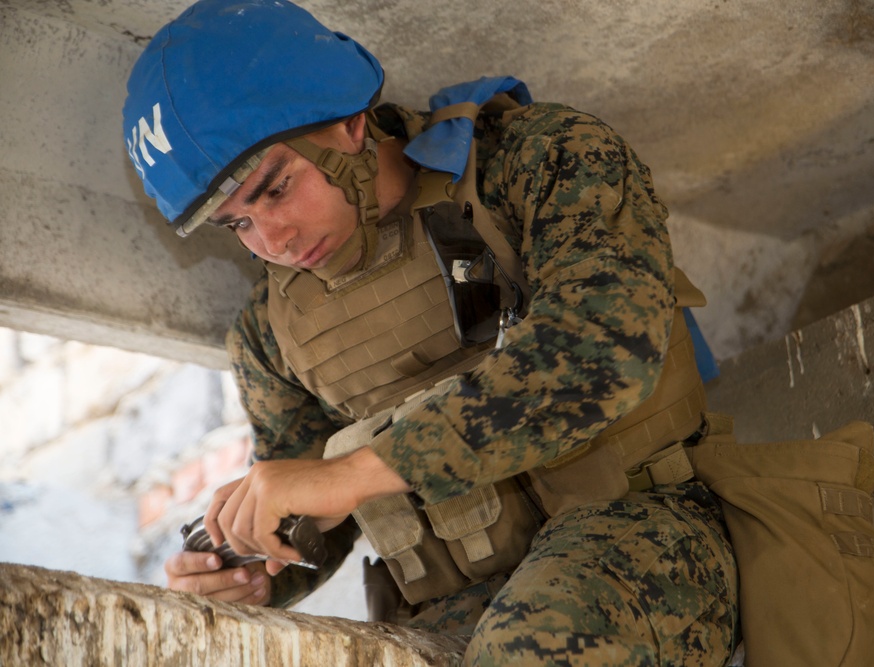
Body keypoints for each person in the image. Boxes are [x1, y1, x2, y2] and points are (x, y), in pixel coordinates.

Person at [122, 0, 739, 663]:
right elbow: (310, 508)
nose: (271, 240)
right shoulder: (267, 336)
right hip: (452, 599)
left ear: (348, 124)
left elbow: (602, 349)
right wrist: (252, 566)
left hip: (643, 530)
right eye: (237, 224)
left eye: (274, 189)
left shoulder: (537, 158)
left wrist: (357, 473)